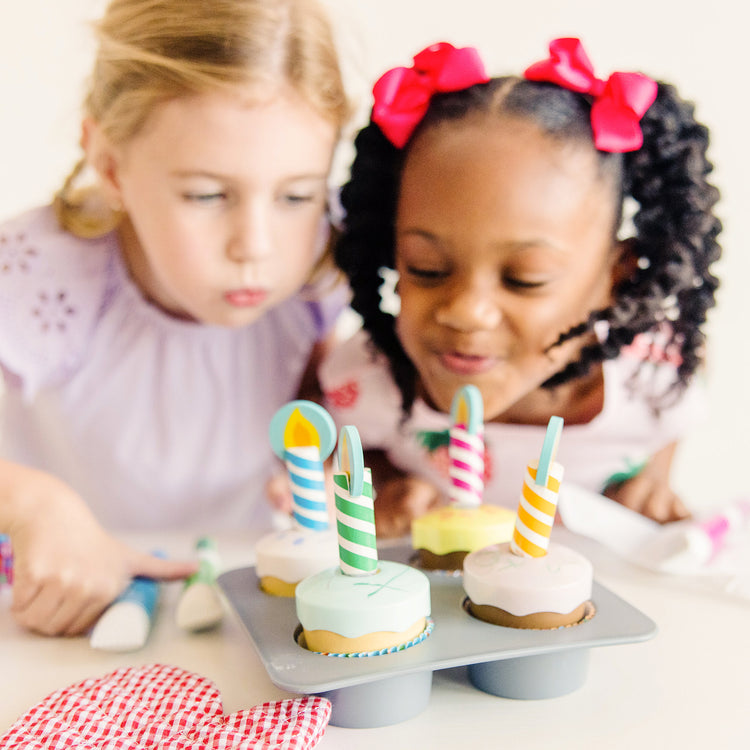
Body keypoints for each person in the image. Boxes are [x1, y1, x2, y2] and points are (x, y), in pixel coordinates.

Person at [0, 0, 350, 635]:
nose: (257, 245)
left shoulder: (314, 274)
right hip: (69, 608)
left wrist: (328, 476)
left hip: (234, 608)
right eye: (207, 195)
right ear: (110, 166)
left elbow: (325, 410)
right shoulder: (36, 274)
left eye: (297, 195)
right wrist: (30, 504)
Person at [320, 38, 721, 537]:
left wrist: (653, 478)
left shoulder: (650, 380)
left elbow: (671, 415)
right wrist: (383, 482)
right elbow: (349, 445)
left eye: (524, 279)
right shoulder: (372, 380)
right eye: (427, 269)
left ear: (616, 279)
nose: (467, 311)